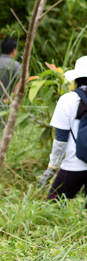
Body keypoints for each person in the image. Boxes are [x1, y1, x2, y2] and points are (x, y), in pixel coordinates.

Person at [39, 56, 87, 204]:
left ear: (76, 79)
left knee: (52, 207)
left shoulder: (67, 100)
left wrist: (52, 168)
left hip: (74, 166)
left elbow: (60, 139)